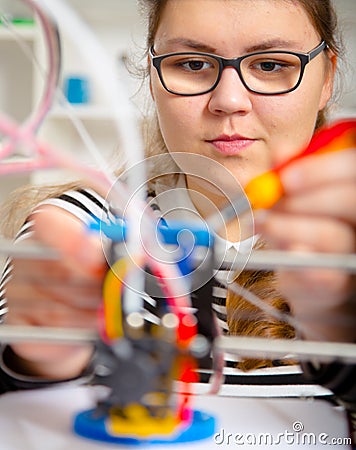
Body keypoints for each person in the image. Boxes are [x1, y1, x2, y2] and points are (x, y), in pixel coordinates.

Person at [0, 0, 355, 436]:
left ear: (327, 78)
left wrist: (336, 324)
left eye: (269, 64)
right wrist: (39, 361)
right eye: (191, 63)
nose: (229, 101)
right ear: (153, 77)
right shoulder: (82, 226)